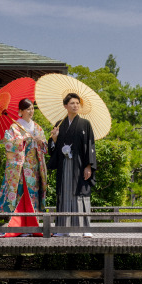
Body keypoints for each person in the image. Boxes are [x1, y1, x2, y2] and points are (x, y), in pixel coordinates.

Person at [0, 98, 48, 237]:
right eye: (27, 109)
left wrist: (41, 142)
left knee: (33, 195)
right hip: (19, 169)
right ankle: (18, 227)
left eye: (32, 108)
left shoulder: (37, 127)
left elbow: (44, 147)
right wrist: (21, 139)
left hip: (33, 168)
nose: (31, 111)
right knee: (20, 194)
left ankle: (32, 227)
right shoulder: (14, 128)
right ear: (20, 112)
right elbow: (8, 145)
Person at [48, 92, 96, 236]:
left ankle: (85, 229)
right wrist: (55, 139)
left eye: (77, 103)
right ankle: (63, 229)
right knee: (64, 194)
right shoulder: (59, 125)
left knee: (81, 195)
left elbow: (90, 145)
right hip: (64, 165)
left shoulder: (85, 124)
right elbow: (52, 149)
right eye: (72, 103)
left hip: (80, 165)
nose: (75, 106)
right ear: (65, 106)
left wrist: (89, 166)